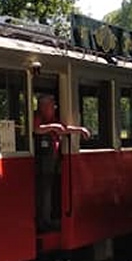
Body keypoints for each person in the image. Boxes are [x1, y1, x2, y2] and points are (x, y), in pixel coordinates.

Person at [33, 92, 90, 229]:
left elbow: (63, 129)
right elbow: (36, 129)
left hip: (52, 160)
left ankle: (48, 219)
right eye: (51, 105)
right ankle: (43, 221)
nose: (54, 108)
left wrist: (80, 130)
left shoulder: (52, 119)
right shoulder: (38, 116)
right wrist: (52, 127)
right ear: (43, 106)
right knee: (43, 191)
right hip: (41, 162)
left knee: (49, 190)